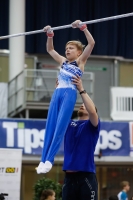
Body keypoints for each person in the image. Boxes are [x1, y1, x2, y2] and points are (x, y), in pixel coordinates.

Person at [37, 19, 95, 174]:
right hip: (57, 93)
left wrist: (83, 28)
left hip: (69, 93)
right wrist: (50, 35)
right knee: (50, 125)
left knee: (60, 126)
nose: (67, 50)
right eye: (66, 48)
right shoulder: (63, 62)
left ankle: (50, 159)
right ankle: (43, 160)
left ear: (78, 52)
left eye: (71, 48)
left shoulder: (80, 61)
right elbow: (50, 50)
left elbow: (91, 44)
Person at [62, 75, 100, 200]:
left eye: (86, 105)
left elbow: (93, 112)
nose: (82, 105)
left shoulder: (92, 125)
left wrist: (81, 89)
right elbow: (60, 110)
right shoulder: (69, 124)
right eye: (81, 104)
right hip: (69, 177)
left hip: (86, 176)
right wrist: (60, 90)